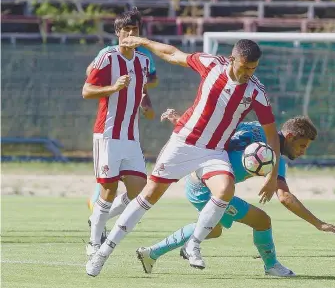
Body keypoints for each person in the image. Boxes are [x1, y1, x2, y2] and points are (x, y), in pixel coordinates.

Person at [86, 37, 282, 277]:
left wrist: (272, 175)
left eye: (253, 68)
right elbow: (171, 53)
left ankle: (194, 244)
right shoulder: (211, 65)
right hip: (183, 143)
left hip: (214, 151)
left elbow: (272, 135)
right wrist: (142, 41)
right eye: (245, 67)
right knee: (148, 196)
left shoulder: (256, 92)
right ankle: (103, 252)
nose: (248, 73)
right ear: (232, 60)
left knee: (225, 189)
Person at [134, 110, 335, 277]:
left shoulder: (257, 127)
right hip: (207, 189)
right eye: (301, 146)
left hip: (199, 183)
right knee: (262, 221)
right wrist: (318, 223)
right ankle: (272, 266)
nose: (302, 152)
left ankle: (150, 253)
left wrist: (181, 120)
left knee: (213, 230)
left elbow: (216, 132)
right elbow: (285, 197)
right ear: (289, 136)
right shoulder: (274, 153)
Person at [82, 8, 151, 259]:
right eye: (126, 30)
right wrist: (113, 87)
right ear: (118, 33)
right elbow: (87, 90)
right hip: (108, 135)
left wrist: (145, 103)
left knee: (140, 192)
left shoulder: (143, 61)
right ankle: (93, 242)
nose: (131, 34)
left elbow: (141, 90)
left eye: (135, 29)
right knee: (108, 191)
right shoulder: (107, 58)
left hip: (131, 137)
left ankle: (96, 219)